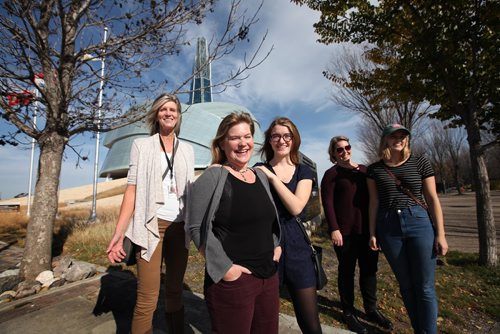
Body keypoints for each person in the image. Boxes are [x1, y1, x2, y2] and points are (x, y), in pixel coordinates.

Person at [106, 93, 194, 334]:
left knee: (176, 291)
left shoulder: (187, 150)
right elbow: (132, 189)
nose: (169, 113)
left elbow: (190, 191)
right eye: (164, 109)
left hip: (180, 226)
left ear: (178, 116)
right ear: (156, 114)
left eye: (173, 109)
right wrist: (119, 231)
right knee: (148, 296)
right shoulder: (141, 146)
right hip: (150, 225)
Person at [188, 112, 282, 334]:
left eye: (247, 136)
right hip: (234, 282)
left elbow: (268, 219)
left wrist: (276, 244)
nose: (243, 143)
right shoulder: (214, 176)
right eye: (234, 138)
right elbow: (195, 227)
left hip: (269, 276)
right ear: (222, 142)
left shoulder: (259, 176)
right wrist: (226, 269)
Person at [367, 124, 449, 334]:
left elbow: (432, 198)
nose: (399, 139)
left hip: (419, 222)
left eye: (402, 135)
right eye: (393, 136)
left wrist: (440, 234)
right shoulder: (374, 170)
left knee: (425, 287)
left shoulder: (420, 161)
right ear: (385, 139)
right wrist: (372, 232)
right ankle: (418, 329)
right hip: (388, 226)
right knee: (406, 285)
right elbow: (374, 203)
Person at [255, 117, 322, 334]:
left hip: (297, 244)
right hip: (267, 242)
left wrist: (273, 179)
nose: (281, 140)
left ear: (294, 140)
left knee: (310, 323)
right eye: (275, 136)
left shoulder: (304, 171)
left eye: (287, 135)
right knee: (264, 320)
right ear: (269, 140)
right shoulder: (258, 169)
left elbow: (296, 207)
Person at [321, 136, 392, 334]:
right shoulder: (331, 174)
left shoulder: (365, 171)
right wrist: (334, 228)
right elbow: (327, 203)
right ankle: (348, 311)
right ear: (333, 154)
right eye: (339, 150)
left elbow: (375, 199)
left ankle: (371, 309)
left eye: (347, 147)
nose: (344, 152)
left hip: (368, 231)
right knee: (346, 272)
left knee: (369, 271)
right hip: (344, 234)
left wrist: (376, 230)